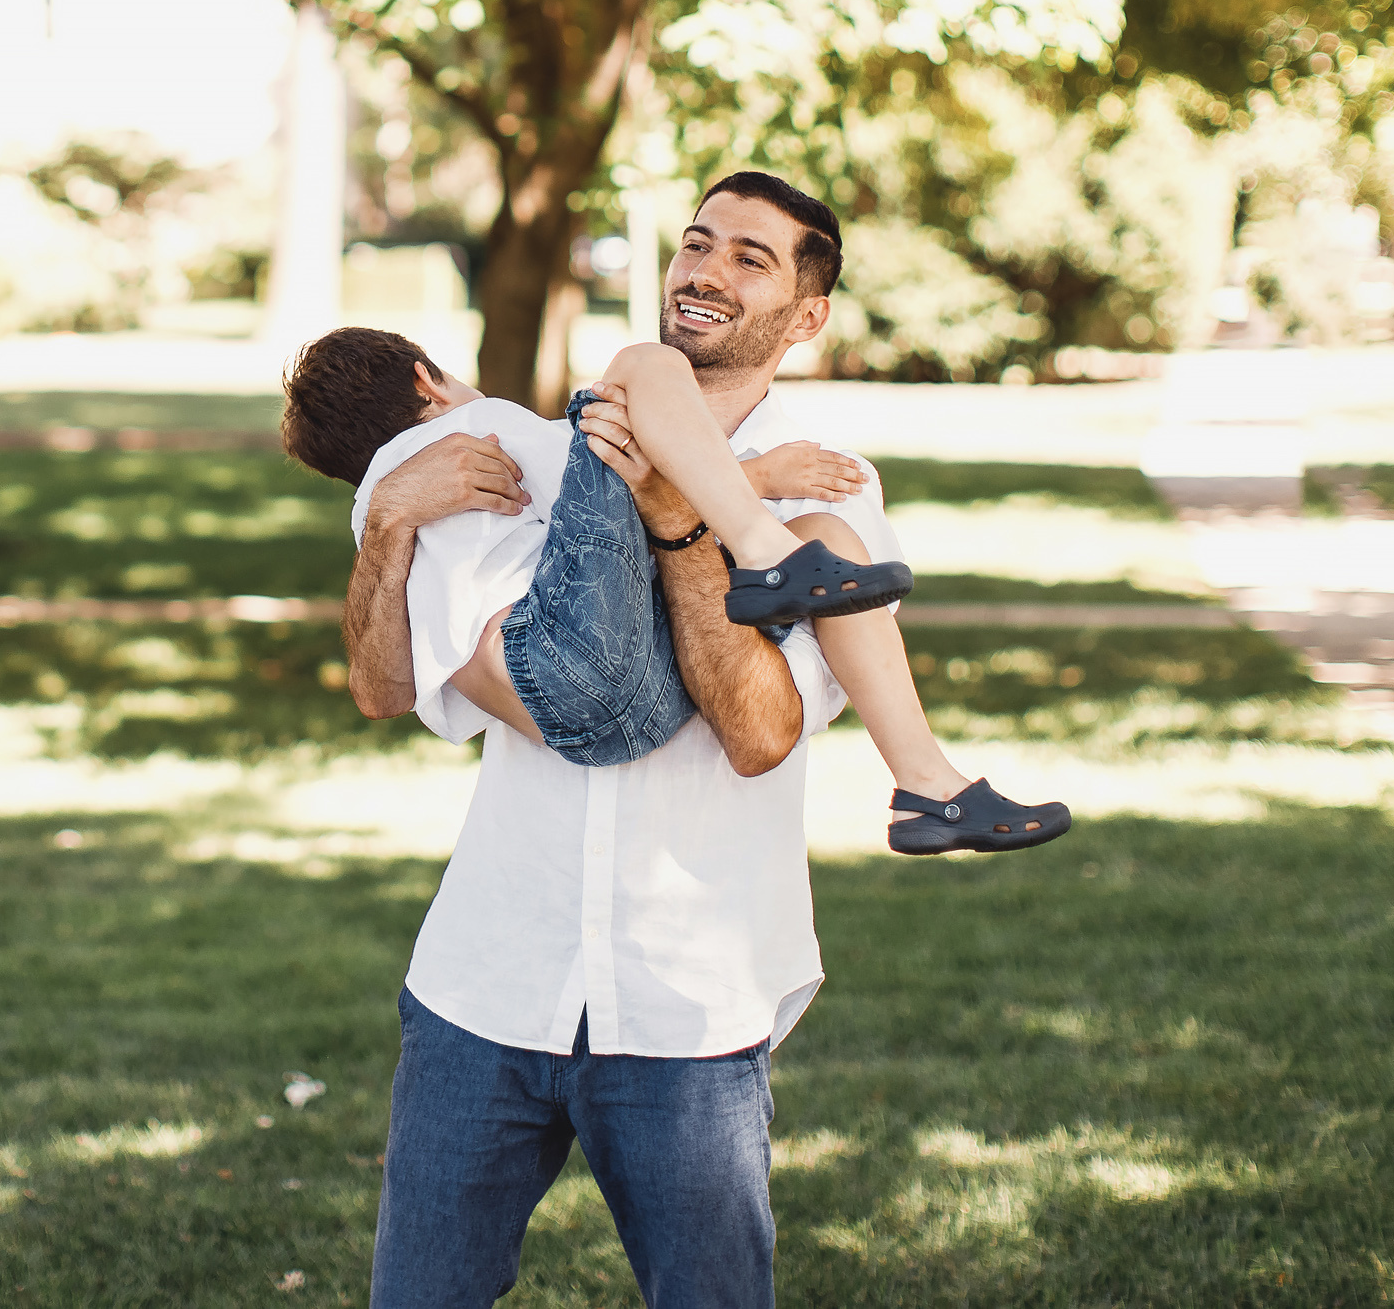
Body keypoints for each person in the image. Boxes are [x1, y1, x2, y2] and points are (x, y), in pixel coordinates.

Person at [295, 173, 1060, 1307]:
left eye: (751, 257)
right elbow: (412, 677)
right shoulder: (536, 436)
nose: (704, 267)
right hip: (486, 981)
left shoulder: (837, 490)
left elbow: (759, 734)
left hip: (687, 1002)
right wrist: (393, 517)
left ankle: (925, 781)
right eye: (696, 243)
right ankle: (925, 773)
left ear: (807, 315)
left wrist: (676, 513)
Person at [282, 329, 1067, 853]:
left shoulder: (390, 519)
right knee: (641, 369)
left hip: (620, 715)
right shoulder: (463, 432)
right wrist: (760, 479)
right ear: (428, 377)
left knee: (828, 539)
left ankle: (930, 788)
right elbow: (611, 475)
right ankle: (769, 560)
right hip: (567, 653)